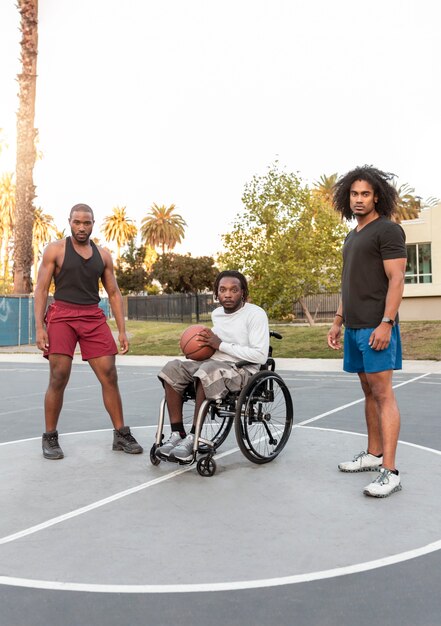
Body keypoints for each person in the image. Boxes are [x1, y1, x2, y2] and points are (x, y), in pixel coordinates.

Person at [34, 203, 143, 459]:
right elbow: (40, 289)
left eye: (87, 223)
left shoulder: (103, 255)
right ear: (69, 222)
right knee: (59, 375)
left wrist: (122, 330)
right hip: (62, 315)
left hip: (92, 317)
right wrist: (40, 326)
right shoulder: (55, 250)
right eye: (77, 222)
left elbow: (114, 292)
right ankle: (50, 437)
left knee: (109, 374)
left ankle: (120, 434)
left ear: (93, 224)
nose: (82, 227)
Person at [327, 166, 406, 498]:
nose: (359, 200)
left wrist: (386, 323)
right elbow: (349, 284)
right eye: (354, 194)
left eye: (365, 194)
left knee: (383, 394)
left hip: (377, 327)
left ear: (377, 197)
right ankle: (373, 455)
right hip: (354, 326)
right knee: (368, 393)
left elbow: (397, 280)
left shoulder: (387, 231)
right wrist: (337, 319)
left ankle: (390, 471)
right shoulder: (353, 235)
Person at [156, 270, 269, 462]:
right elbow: (213, 344)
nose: (227, 294)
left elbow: (260, 355)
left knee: (206, 371)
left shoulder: (255, 314)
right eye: (223, 290)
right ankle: (178, 434)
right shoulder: (217, 313)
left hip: (242, 370)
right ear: (216, 293)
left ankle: (194, 436)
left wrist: (220, 344)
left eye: (234, 290)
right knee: (172, 368)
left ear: (243, 292)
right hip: (212, 363)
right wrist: (197, 348)